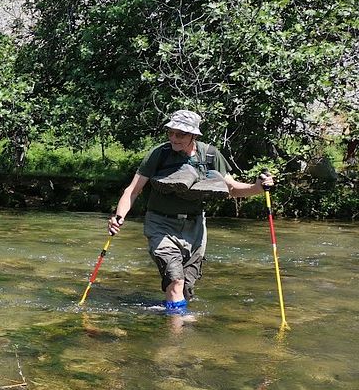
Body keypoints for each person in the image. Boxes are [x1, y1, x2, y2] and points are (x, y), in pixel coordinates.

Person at [108, 109, 274, 314]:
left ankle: (174, 320)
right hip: (160, 225)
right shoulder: (159, 154)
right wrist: (119, 216)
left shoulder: (211, 155)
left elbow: (230, 189)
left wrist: (257, 187)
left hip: (195, 228)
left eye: (181, 134)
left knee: (185, 287)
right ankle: (177, 337)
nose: (174, 138)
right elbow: (132, 191)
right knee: (175, 279)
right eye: (171, 132)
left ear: (194, 135)